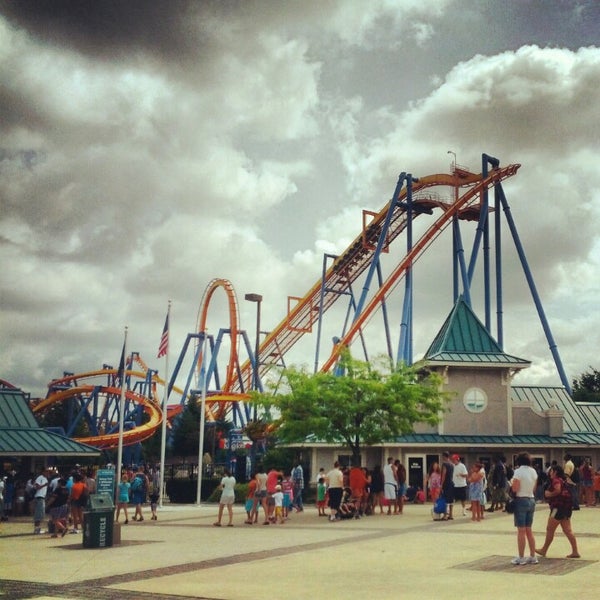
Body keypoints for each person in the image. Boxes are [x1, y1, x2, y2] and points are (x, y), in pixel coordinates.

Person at [535, 464, 580, 559]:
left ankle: (544, 549)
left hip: (557, 508)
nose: (549, 473)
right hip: (566, 507)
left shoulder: (556, 480)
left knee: (550, 529)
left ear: (555, 472)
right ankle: (575, 551)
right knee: (567, 530)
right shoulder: (564, 480)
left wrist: (548, 494)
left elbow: (557, 490)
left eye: (551, 471)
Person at [510, 452, 538, 565]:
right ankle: (533, 555)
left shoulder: (518, 472)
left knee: (521, 530)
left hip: (521, 499)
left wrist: (511, 484)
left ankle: (521, 557)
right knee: (529, 529)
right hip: (531, 499)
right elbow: (534, 487)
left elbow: (515, 488)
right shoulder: (533, 471)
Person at [33, 467, 49, 534]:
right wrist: (44, 485)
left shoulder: (45, 479)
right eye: (46, 471)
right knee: (38, 514)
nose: (47, 473)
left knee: (41, 514)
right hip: (39, 497)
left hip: (42, 497)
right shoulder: (40, 478)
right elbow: (37, 487)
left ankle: (38, 528)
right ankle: (36, 529)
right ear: (43, 472)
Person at [440, 452, 454, 520]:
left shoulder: (444, 464)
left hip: (446, 483)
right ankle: (451, 514)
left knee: (445, 499)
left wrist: (441, 484)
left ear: (444, 456)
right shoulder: (452, 464)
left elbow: (444, 475)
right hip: (451, 482)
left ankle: (445, 515)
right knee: (451, 499)